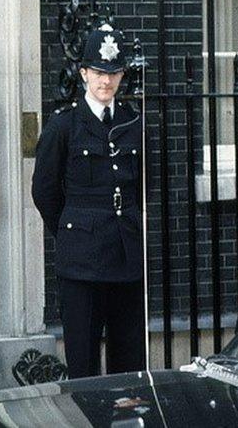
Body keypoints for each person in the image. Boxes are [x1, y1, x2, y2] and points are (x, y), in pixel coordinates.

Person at [31, 25, 145, 379]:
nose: (105, 81)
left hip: (126, 253)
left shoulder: (134, 122)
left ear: (122, 75)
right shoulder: (63, 125)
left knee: (129, 358)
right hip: (81, 258)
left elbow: (145, 187)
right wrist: (71, 229)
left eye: (113, 73)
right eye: (98, 72)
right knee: (83, 360)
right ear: (83, 73)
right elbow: (44, 191)